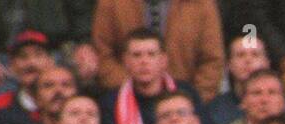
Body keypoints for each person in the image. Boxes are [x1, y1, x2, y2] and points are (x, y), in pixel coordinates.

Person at [92, 0, 223, 101]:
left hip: (185, 103)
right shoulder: (111, 3)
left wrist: (189, 100)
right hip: (124, 102)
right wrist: (132, 91)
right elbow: (102, 53)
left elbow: (212, 61)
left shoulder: (201, 5)